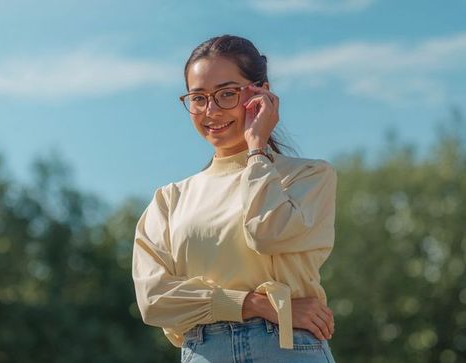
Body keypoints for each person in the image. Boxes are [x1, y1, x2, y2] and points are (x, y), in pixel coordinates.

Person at [132, 34, 338, 363]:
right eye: (198, 98)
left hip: (288, 349)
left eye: (226, 93)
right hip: (204, 352)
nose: (211, 110)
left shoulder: (308, 177)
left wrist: (257, 150)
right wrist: (254, 304)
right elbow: (154, 299)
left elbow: (267, 234)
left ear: (262, 92)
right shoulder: (169, 200)